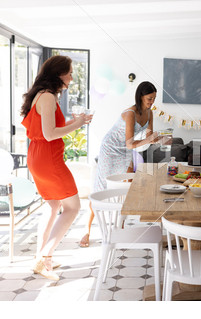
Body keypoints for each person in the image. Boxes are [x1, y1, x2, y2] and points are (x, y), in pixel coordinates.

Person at [21, 55, 92, 280]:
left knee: (52, 206)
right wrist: (78, 124)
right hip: (48, 159)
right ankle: (45, 257)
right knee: (72, 207)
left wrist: (75, 122)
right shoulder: (49, 97)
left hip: (37, 156)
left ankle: (39, 259)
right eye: (70, 73)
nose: (72, 77)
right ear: (59, 74)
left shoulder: (41, 95)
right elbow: (50, 134)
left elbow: (47, 130)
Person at [79, 81, 166, 247]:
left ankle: (122, 226)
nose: (151, 102)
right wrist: (149, 139)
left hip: (126, 150)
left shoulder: (150, 113)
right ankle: (87, 231)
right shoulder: (130, 114)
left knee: (125, 188)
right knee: (101, 188)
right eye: (149, 98)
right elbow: (130, 143)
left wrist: (159, 138)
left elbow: (148, 137)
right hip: (111, 149)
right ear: (140, 96)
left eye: (154, 99)